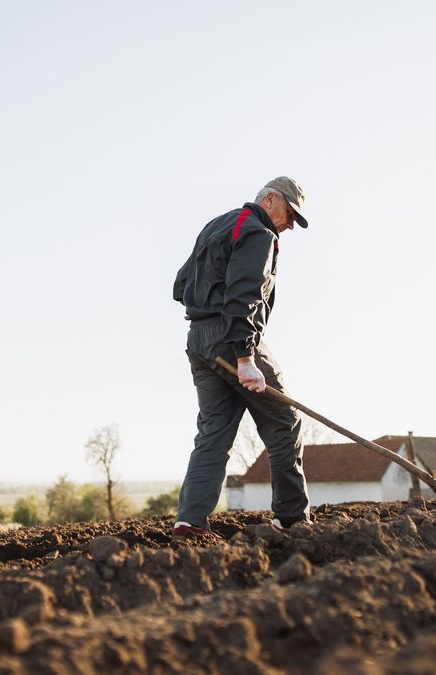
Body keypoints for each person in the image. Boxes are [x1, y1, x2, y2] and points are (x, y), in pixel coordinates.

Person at [171, 176, 313, 540]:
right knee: (285, 423)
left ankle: (190, 523)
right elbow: (243, 296)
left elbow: (179, 285)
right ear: (270, 200)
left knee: (214, 432)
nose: (291, 225)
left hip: (199, 340)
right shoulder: (258, 233)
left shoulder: (217, 225)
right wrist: (246, 356)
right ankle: (293, 520)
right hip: (232, 338)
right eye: (290, 214)